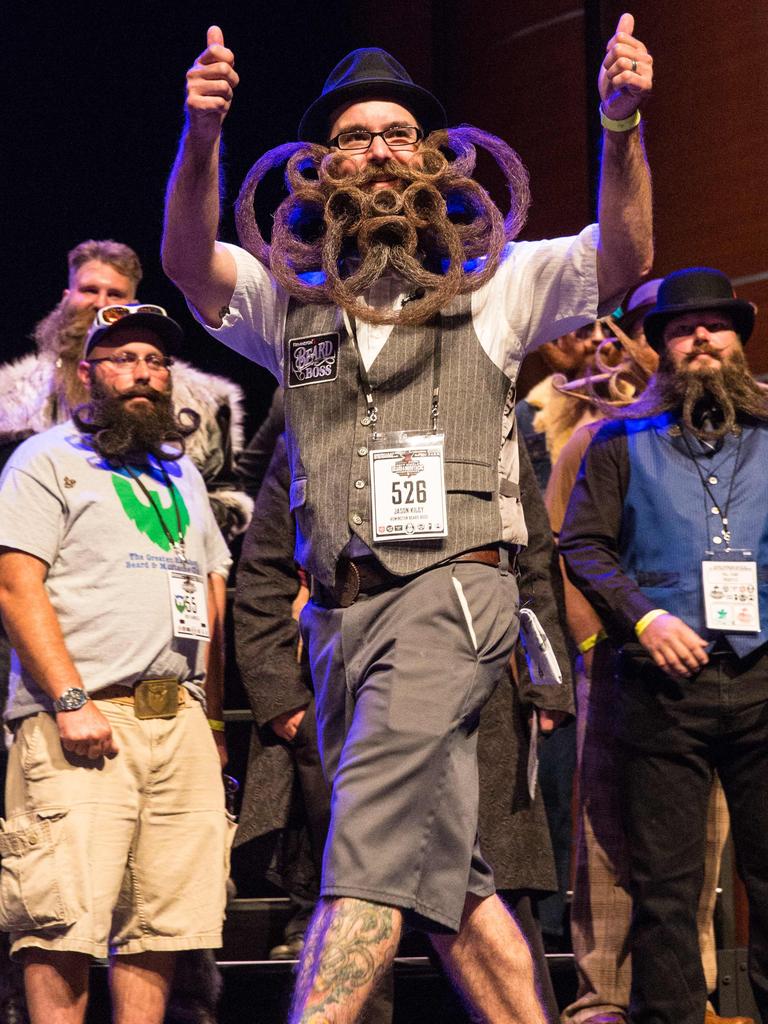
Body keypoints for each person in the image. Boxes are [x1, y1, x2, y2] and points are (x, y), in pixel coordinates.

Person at [162, 18, 653, 1022]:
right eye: (353, 136)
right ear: (320, 166)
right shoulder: (288, 300)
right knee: (446, 874)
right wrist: (203, 137)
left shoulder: (499, 283)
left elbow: (627, 254)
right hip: (339, 621)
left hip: (452, 595)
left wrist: (619, 129)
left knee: (368, 862)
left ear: (432, 158)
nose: (377, 149)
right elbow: (184, 260)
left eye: (397, 132)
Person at [0, 306, 234, 1024]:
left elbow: (212, 596)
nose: (144, 371)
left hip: (178, 721)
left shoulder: (181, 475)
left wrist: (214, 720)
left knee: (163, 925)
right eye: (125, 356)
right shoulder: (47, 459)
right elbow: (16, 584)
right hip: (85, 716)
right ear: (86, 373)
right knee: (59, 918)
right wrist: (70, 701)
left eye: (157, 362)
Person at [559, 267, 768, 1024]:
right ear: (661, 349)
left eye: (716, 324)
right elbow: (582, 547)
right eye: (683, 328)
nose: (701, 336)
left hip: (762, 681)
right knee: (667, 888)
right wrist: (643, 618)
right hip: (659, 688)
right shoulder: (617, 442)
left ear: (740, 341)